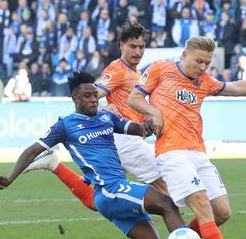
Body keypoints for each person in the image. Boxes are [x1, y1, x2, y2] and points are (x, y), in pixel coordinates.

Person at [127, 36, 246, 239]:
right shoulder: (160, 69)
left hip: (198, 152)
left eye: (207, 63)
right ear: (184, 55)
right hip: (171, 152)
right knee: (201, 203)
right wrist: (154, 112)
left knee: (222, 212)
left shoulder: (205, 81)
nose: (203, 67)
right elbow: (134, 98)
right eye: (199, 61)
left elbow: (236, 87)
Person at [0, 72, 186, 239]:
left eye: (95, 94)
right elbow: (32, 151)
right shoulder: (65, 125)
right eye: (87, 96)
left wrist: (147, 125)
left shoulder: (106, 117)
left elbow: (137, 129)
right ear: (75, 99)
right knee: (166, 203)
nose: (94, 99)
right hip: (109, 190)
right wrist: (10, 178)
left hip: (116, 190)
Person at [24, 22, 167, 212]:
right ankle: (184, 236)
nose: (138, 52)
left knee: (99, 201)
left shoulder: (135, 72)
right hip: (126, 140)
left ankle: (54, 165)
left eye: (141, 47)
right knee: (166, 190)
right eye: (133, 46)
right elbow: (92, 94)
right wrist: (104, 109)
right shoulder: (117, 69)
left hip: (121, 140)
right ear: (121, 46)